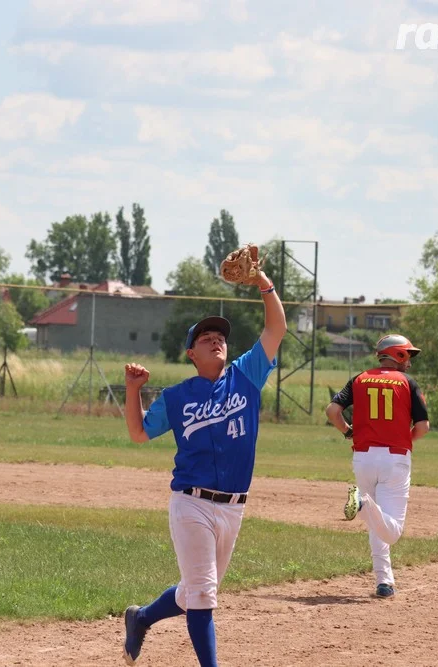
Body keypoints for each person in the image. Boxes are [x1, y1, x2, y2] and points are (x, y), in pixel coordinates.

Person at [120, 268, 286, 666]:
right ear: (191, 354)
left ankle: (141, 618)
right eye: (205, 339)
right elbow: (140, 433)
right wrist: (132, 390)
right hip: (191, 502)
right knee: (204, 594)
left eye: (220, 338)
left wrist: (263, 281)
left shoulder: (246, 376)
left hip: (233, 507)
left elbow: (276, 328)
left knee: (193, 592)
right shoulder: (178, 397)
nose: (216, 341)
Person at [325, 334, 430, 599]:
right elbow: (423, 427)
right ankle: (363, 502)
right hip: (395, 458)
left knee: (376, 522)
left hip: (363, 457)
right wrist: (406, 439)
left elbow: (332, 412)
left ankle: (384, 581)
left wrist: (348, 432)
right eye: (408, 355)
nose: (410, 362)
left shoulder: (359, 379)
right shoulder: (408, 382)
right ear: (398, 355)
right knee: (392, 531)